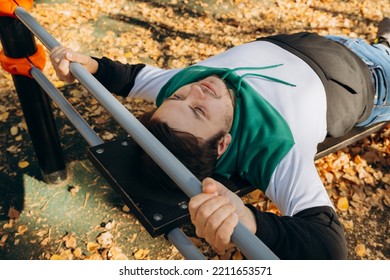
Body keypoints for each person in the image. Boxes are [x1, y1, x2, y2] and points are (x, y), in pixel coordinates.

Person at [50, 18, 390, 259]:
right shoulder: (272, 148)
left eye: (177, 99)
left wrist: (89, 65)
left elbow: (132, 78)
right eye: (199, 110)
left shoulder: (181, 93)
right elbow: (328, 247)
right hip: (373, 76)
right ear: (223, 143)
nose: (196, 91)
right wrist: (250, 221)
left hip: (320, 41)